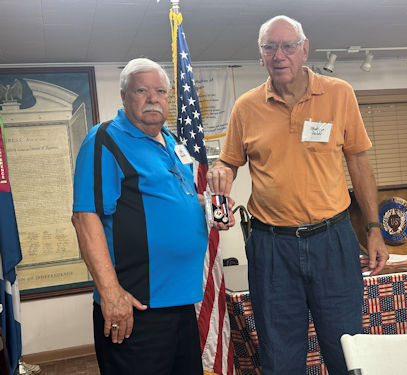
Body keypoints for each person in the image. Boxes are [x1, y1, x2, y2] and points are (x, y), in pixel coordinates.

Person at [207, 15, 389, 375]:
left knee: (347, 351)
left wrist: (373, 227)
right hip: (271, 246)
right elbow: (229, 162)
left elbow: (358, 164)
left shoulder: (339, 94)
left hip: (333, 241)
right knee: (280, 356)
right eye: (270, 47)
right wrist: (220, 174)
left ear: (304, 49)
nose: (280, 55)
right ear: (260, 56)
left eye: (288, 46)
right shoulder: (246, 106)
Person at [72, 58, 207, 375]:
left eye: (160, 91)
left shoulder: (173, 143)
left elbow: (179, 198)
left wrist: (209, 207)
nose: (153, 98)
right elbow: (84, 217)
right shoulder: (105, 138)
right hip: (136, 304)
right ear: (124, 96)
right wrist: (110, 293)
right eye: (142, 90)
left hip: (181, 300)